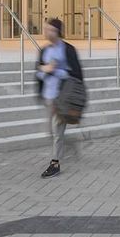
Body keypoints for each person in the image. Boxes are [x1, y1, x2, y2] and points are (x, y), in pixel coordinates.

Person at [36, 17, 83, 178]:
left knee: (57, 131)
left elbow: (77, 74)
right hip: (49, 96)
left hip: (62, 97)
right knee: (51, 131)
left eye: (50, 29)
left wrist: (56, 70)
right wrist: (44, 70)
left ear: (57, 32)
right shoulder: (44, 50)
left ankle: (55, 163)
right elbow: (39, 71)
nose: (46, 32)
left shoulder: (68, 50)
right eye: (45, 29)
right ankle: (68, 146)